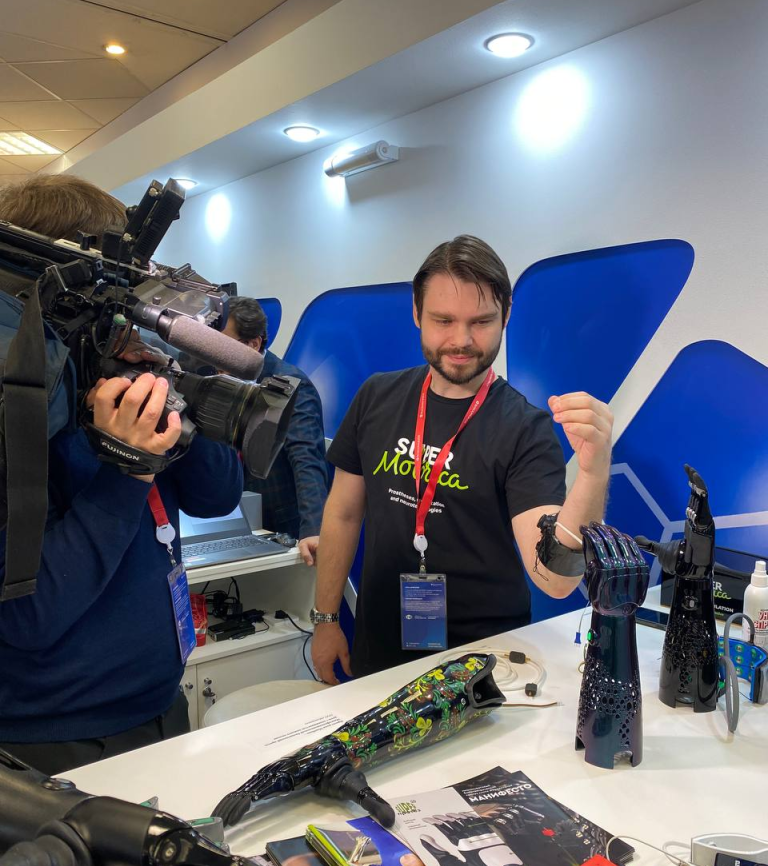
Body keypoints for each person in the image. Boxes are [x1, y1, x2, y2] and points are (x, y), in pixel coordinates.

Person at [0, 175, 243, 774]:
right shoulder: (16, 417)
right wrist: (127, 471)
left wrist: (172, 390)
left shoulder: (118, 377)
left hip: (159, 707)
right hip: (53, 742)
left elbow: (218, 495)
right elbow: (27, 616)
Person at [311, 235, 613, 682]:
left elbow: (555, 580)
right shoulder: (376, 396)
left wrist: (593, 473)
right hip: (380, 653)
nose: (461, 340)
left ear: (506, 314)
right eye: (443, 320)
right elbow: (343, 513)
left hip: (485, 668)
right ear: (417, 313)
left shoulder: (524, 428)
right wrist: (326, 618)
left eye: (482, 321)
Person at [222, 296, 329, 567]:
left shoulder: (290, 384)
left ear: (253, 344)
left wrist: (314, 528)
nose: (214, 354)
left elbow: (307, 459)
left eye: (222, 344)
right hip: (231, 521)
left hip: (280, 526)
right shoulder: (218, 379)